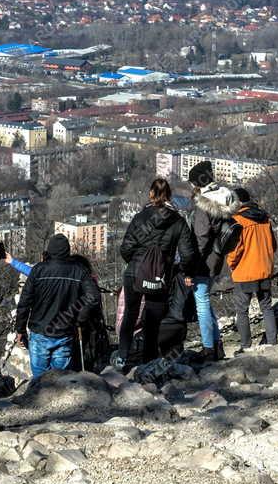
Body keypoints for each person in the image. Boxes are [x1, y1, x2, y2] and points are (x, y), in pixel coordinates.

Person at [117, 178, 198, 371]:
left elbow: (125, 248)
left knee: (130, 313)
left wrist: (137, 263)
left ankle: (122, 357)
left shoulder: (140, 217)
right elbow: (188, 254)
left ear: (151, 194)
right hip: (160, 276)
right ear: (169, 196)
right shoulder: (178, 221)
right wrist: (178, 269)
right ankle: (149, 363)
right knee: (153, 321)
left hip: (134, 273)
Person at [14, 234, 101, 378]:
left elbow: (24, 302)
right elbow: (93, 297)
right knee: (61, 381)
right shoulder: (79, 270)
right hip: (65, 332)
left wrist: (20, 330)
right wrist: (79, 318)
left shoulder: (38, 270)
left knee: (40, 382)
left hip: (39, 332)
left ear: (50, 250)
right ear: (68, 251)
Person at [187, 161, 238, 361]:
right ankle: (217, 346)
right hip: (217, 259)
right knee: (206, 302)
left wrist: (190, 266)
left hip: (203, 262)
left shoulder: (204, 205)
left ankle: (208, 348)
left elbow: (201, 238)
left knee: (201, 304)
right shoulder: (225, 198)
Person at [227, 188, 278, 351]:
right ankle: (272, 343)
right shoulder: (265, 219)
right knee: (267, 307)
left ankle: (245, 346)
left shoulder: (237, 220)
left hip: (245, 271)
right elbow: (274, 245)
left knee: (242, 310)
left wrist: (231, 263)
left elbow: (236, 249)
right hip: (265, 269)